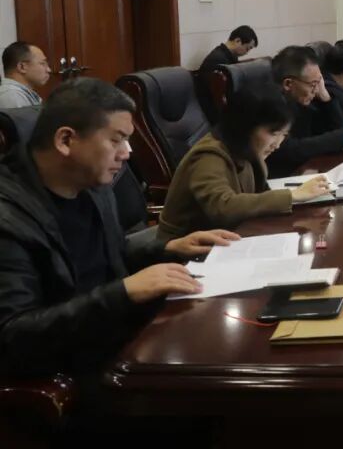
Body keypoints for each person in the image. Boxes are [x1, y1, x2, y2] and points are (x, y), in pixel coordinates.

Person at [0, 79, 239, 377]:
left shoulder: (92, 185)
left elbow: (108, 256)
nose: (127, 153)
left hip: (121, 336)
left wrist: (169, 250)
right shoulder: (8, 218)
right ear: (66, 140)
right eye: (116, 140)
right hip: (71, 373)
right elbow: (13, 335)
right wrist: (123, 293)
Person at [157, 87, 331, 240]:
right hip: (183, 250)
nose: (277, 144)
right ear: (245, 127)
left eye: (283, 135)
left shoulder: (247, 149)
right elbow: (223, 207)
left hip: (229, 235)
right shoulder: (209, 156)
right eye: (274, 134)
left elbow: (258, 193)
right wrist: (292, 196)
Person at [265, 46, 343, 179]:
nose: (316, 90)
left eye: (319, 82)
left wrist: (326, 98)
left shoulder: (303, 101)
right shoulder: (269, 105)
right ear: (288, 84)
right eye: (313, 84)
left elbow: (336, 129)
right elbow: (290, 149)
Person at [0, 41, 51, 109]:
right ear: (22, 67)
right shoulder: (12, 95)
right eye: (42, 63)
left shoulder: (21, 93)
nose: (49, 70)